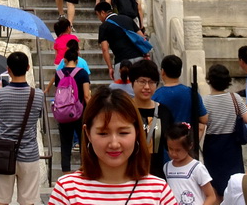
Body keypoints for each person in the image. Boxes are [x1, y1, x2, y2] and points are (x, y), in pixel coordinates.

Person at [46, 87, 177, 204]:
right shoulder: (67, 191)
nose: (114, 144)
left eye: (123, 132)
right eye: (103, 133)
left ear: (137, 132)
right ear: (88, 134)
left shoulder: (159, 192)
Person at [0, 51, 45, 205]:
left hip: (4, 154)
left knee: (0, 201)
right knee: (28, 201)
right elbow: (38, 116)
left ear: (8, 69)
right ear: (28, 67)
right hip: (29, 154)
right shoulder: (38, 95)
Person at [202, 62, 247, 198]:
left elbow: (203, 122)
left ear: (209, 81)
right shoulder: (234, 98)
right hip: (232, 146)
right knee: (233, 183)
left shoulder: (205, 101)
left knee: (214, 184)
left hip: (212, 145)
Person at [45, 41, 90, 174]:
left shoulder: (59, 74)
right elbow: (86, 95)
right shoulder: (82, 73)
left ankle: (65, 172)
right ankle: (84, 170)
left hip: (63, 112)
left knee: (65, 143)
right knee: (83, 142)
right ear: (77, 60)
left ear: (64, 60)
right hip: (79, 112)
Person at [129, 59, 174, 179]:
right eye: (142, 82)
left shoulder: (164, 112)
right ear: (132, 82)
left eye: (152, 82)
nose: (147, 87)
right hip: (128, 174)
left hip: (156, 176)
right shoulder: (124, 111)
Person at [163, 123, 218, 205]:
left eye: (178, 150)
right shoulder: (167, 167)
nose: (173, 153)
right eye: (170, 149)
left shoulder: (197, 168)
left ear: (190, 146)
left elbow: (211, 196)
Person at [152, 55, 207, 128]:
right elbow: (204, 119)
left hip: (165, 137)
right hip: (187, 137)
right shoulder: (191, 93)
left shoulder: (157, 95)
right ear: (180, 72)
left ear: (162, 72)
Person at [95, 1, 140, 80]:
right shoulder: (127, 19)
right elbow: (141, 36)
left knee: (121, 90)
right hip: (139, 59)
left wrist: (110, 67)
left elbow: (105, 49)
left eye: (98, 15)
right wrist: (146, 55)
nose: (99, 18)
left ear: (102, 12)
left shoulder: (104, 26)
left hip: (121, 61)